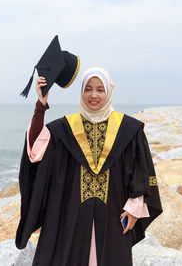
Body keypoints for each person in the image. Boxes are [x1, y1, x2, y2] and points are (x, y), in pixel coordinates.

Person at [15, 67, 162, 266]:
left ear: (108, 92)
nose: (94, 95)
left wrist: (135, 208)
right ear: (82, 92)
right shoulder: (64, 129)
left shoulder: (128, 129)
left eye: (100, 90)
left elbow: (140, 170)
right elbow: (35, 148)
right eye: (88, 89)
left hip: (114, 214)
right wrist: (41, 104)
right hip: (70, 215)